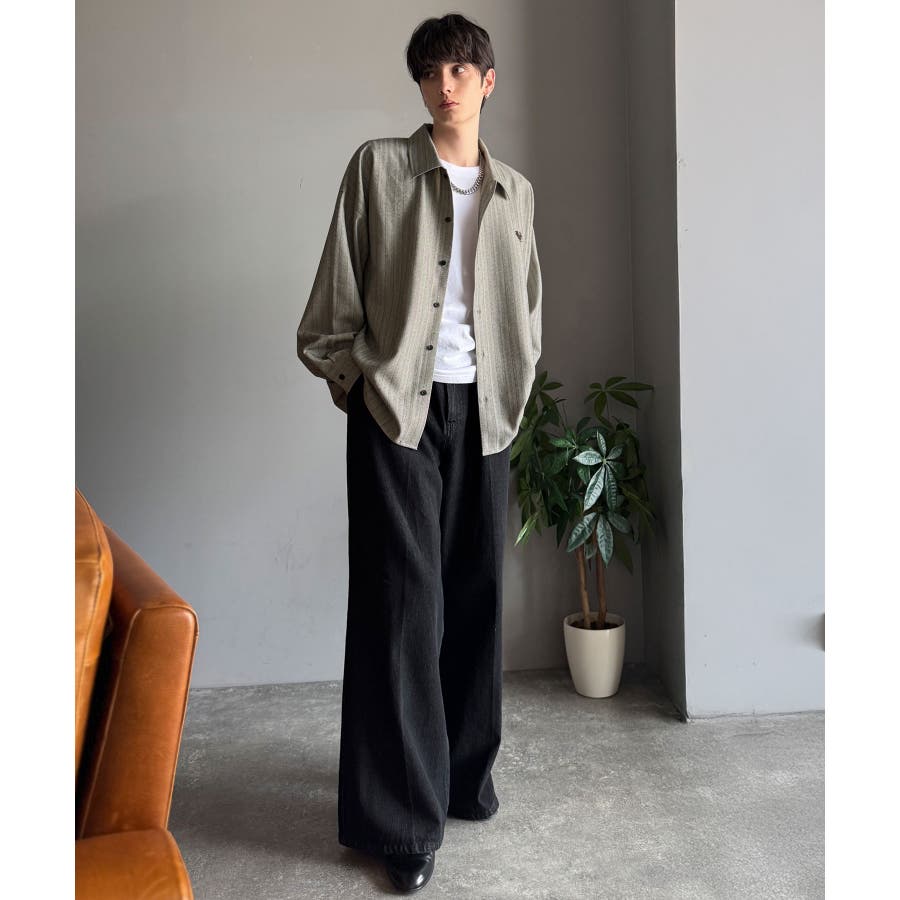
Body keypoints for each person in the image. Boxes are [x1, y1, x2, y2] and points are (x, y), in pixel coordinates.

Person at [297, 12, 542, 894]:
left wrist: (512, 386)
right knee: (403, 607)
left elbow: (528, 307)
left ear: (487, 81)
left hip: (485, 415)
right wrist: (361, 389)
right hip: (398, 410)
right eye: (432, 71)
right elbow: (335, 300)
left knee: (476, 595)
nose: (446, 85)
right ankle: (401, 822)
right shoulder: (379, 170)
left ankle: (462, 777)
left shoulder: (514, 192)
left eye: (461, 69)